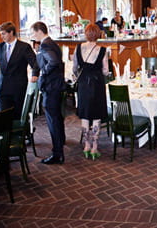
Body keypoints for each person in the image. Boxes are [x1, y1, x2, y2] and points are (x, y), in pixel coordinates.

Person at [30, 21, 66, 165]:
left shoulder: (45, 45)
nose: (31, 36)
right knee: (56, 117)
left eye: (32, 32)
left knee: (53, 120)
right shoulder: (51, 43)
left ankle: (57, 154)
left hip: (51, 87)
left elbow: (54, 62)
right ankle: (60, 143)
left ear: (39, 31)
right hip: (56, 86)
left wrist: (42, 74)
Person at [73, 24, 108, 160]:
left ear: (86, 33)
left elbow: (75, 68)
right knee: (97, 116)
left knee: (85, 115)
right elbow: (105, 71)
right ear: (98, 34)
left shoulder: (78, 48)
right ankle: (94, 147)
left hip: (83, 84)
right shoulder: (103, 50)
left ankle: (86, 145)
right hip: (97, 83)